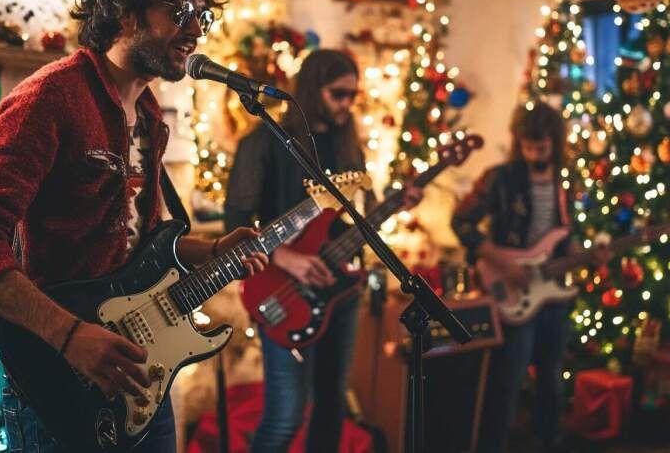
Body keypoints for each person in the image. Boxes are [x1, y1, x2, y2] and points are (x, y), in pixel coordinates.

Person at [0, 0, 268, 453]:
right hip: (57, 380)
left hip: (137, 377)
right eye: (180, 11)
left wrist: (211, 251)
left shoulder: (148, 116)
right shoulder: (51, 98)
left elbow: (139, 243)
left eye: (202, 17)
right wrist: (70, 336)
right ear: (126, 12)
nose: (195, 31)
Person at [225, 49, 422, 452]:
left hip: (339, 288)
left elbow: (357, 215)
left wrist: (396, 204)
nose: (347, 104)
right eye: (338, 94)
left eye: (352, 95)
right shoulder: (263, 143)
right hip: (281, 288)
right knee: (286, 416)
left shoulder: (347, 145)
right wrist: (286, 257)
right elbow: (235, 222)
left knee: (332, 405)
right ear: (313, 90)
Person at [452, 102, 609, 453]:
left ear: (555, 142)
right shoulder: (499, 179)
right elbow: (461, 222)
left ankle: (548, 441)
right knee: (508, 378)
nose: (533, 154)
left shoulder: (565, 183)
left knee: (551, 376)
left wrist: (589, 255)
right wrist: (500, 260)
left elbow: (564, 238)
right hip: (511, 289)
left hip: (552, 292)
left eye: (541, 147)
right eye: (527, 146)